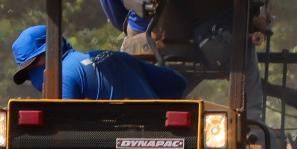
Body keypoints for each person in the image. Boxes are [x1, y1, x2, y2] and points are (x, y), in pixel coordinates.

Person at [10, 23, 191, 100]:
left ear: (51, 49)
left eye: (34, 63)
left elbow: (64, 134)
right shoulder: (115, 56)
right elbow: (177, 83)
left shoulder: (62, 76)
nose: (33, 74)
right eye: (27, 72)